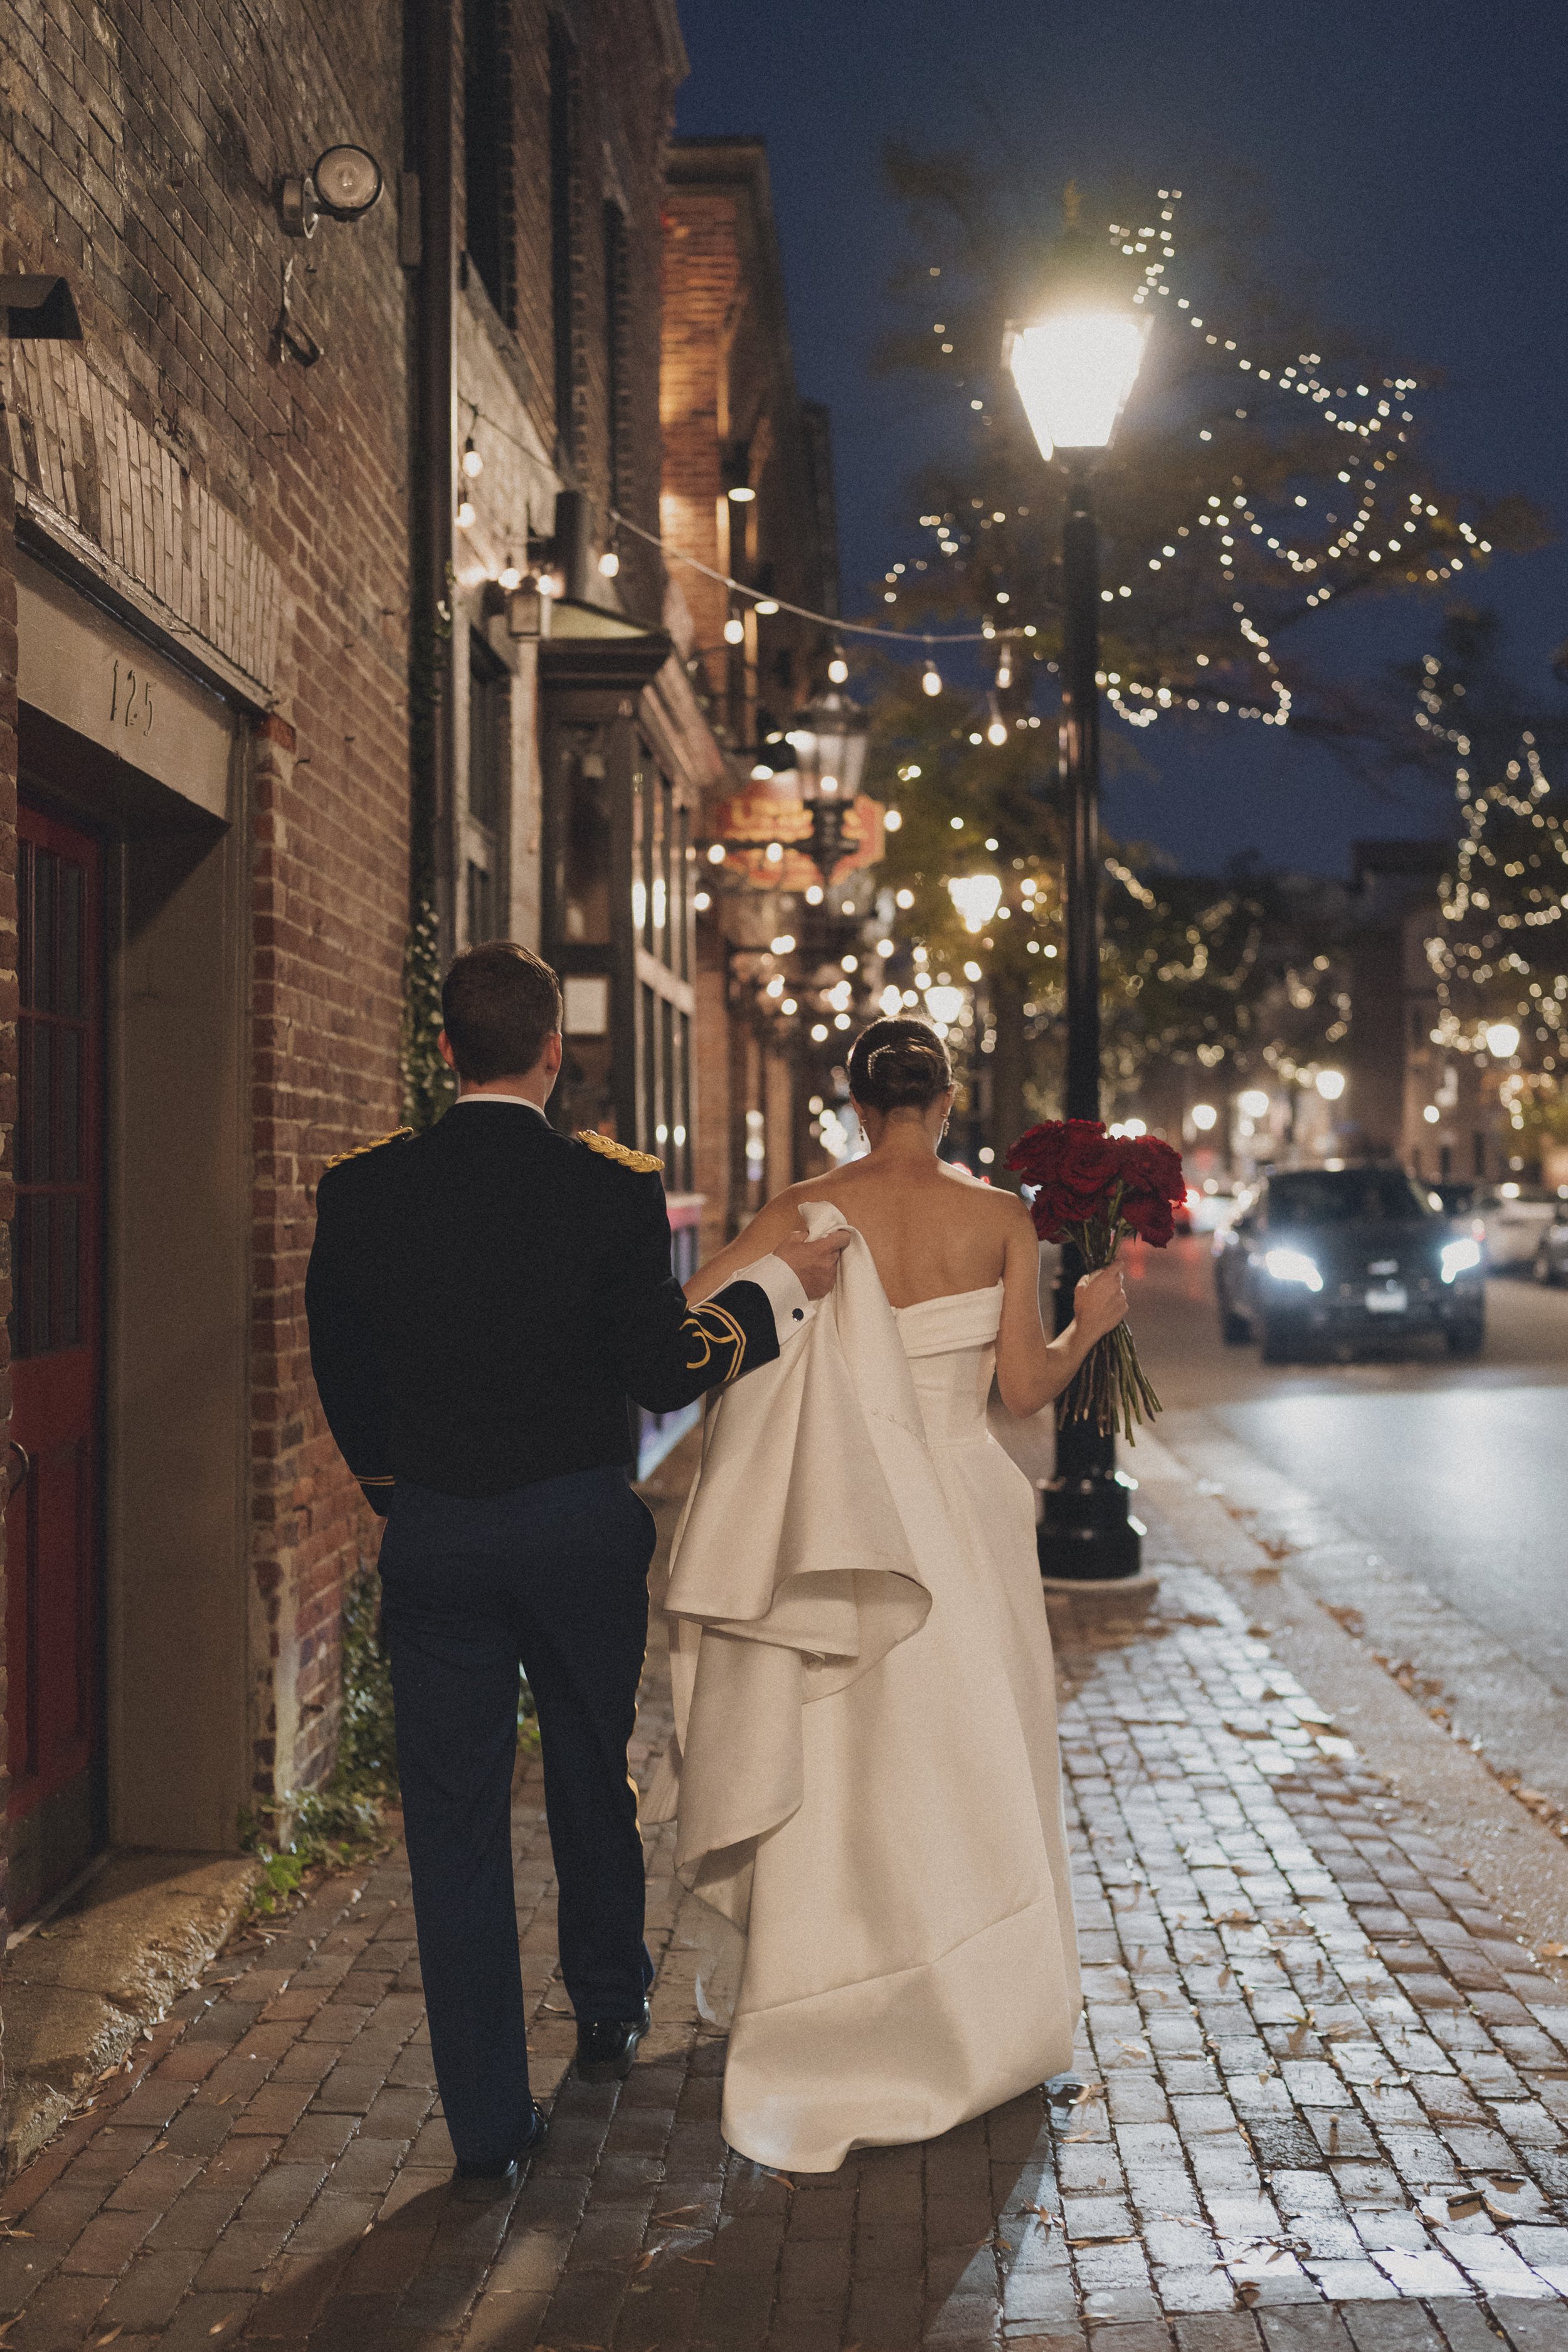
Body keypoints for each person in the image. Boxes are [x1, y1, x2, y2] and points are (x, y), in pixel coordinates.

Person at [305, 943, 849, 2193]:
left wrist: (402, 1493)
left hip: (436, 1531)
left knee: (450, 1827)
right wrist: (777, 1292)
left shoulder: (367, 1192)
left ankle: (489, 2126)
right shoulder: (611, 1192)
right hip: (572, 1529)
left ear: (446, 1049)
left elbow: (343, 1367)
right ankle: (607, 2005)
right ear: (554, 1052)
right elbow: (666, 1370)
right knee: (589, 1767)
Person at [645, 1017, 1128, 2170]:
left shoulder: (805, 1210)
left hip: (842, 1517)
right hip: (962, 1514)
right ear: (948, 1099)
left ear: (856, 1102)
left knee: (852, 1758)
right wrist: (1089, 1324)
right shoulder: (1000, 1218)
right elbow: (1021, 1391)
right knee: (971, 1753)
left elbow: (691, 1322)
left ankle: (832, 1993)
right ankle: (979, 2003)